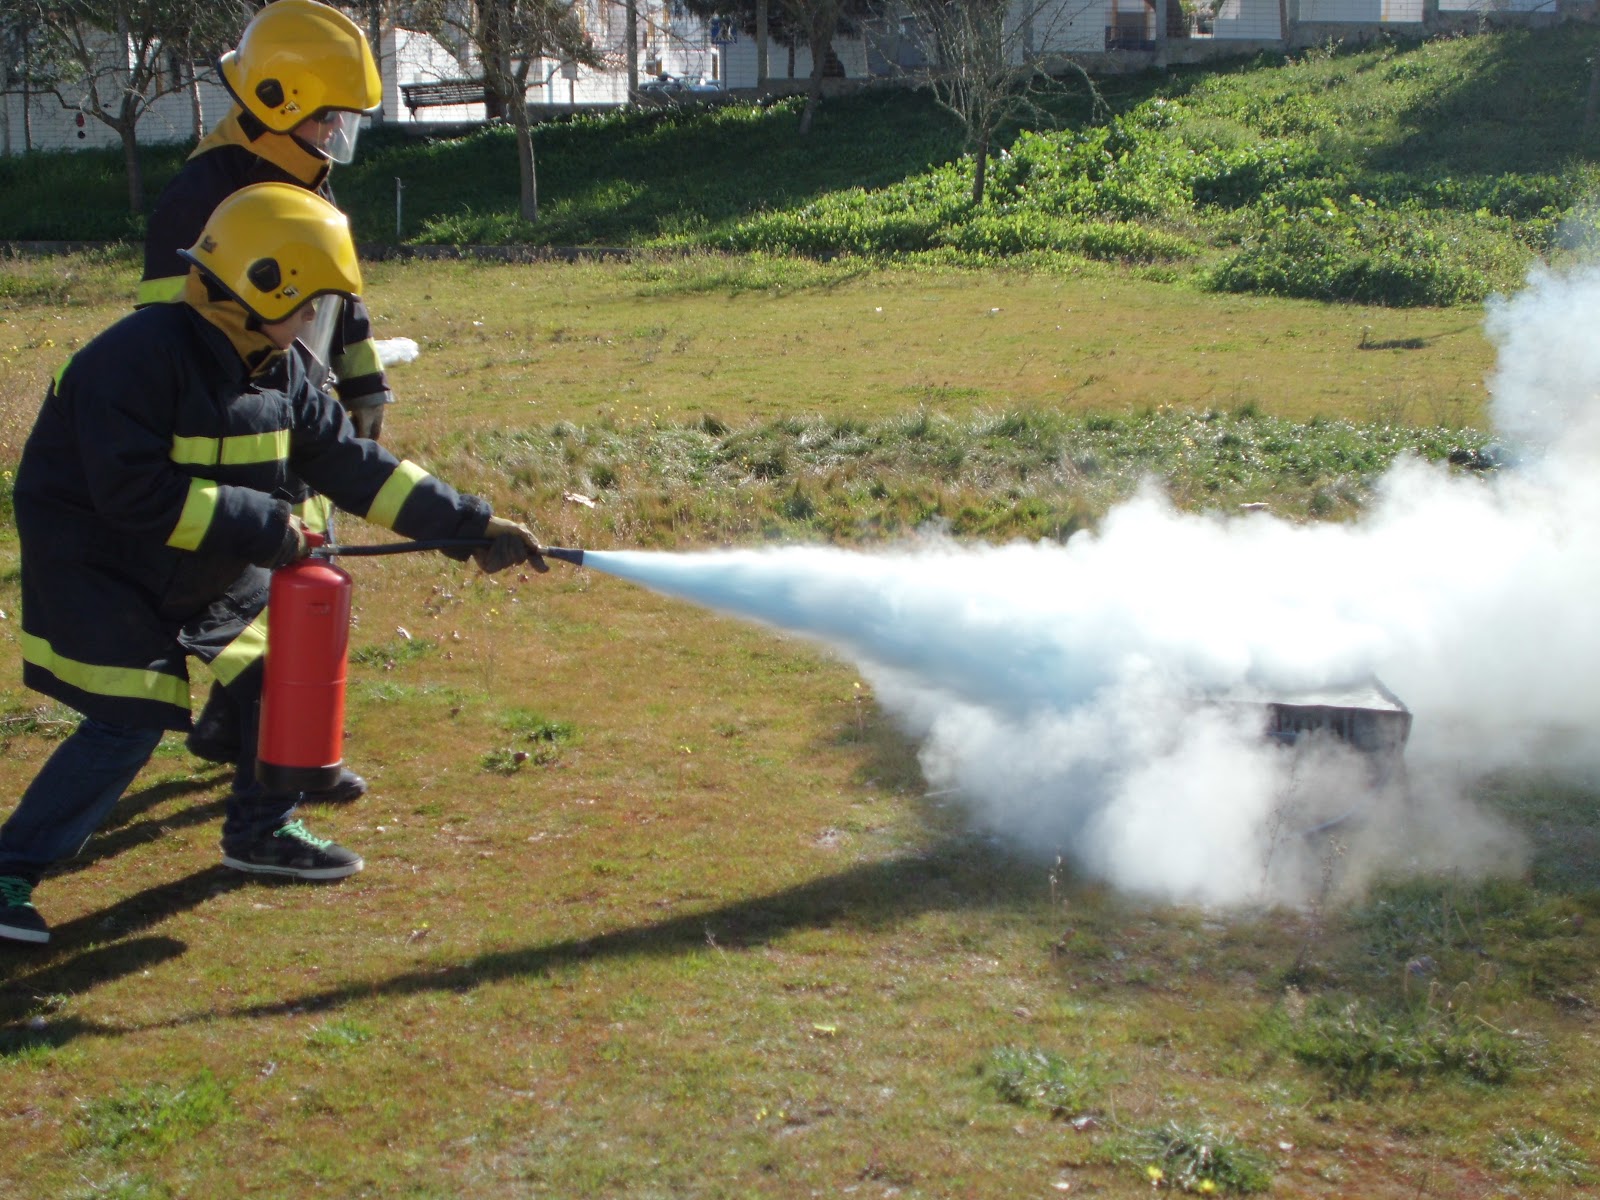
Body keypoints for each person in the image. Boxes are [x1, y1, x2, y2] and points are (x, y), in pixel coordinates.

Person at [0, 182, 546, 946]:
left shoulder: (279, 367)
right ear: (262, 288)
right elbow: (133, 494)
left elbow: (355, 467)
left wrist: (470, 526)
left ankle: (261, 832)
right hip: (102, 567)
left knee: (275, 673)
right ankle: (12, 869)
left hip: (207, 558)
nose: (315, 323)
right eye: (310, 305)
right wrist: (267, 526)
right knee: (126, 722)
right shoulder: (130, 361)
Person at [139, 0, 390, 784]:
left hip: (296, 410)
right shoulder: (204, 194)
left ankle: (234, 729)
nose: (336, 134)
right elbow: (171, 334)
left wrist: (364, 382)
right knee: (254, 582)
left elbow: (339, 293)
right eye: (328, 117)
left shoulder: (304, 179)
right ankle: (277, 762)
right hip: (236, 421)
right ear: (281, 103)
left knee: (298, 569)